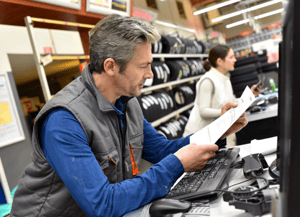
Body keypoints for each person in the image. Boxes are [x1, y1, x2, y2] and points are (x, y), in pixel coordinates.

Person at [10, 15, 248, 217]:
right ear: (111, 66)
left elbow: (161, 150)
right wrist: (176, 165)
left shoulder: (127, 103)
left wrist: (220, 128)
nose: (151, 74)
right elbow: (102, 204)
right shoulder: (64, 120)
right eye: (143, 66)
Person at [183, 44, 263, 138]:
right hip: (196, 134)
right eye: (231, 57)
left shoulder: (225, 78)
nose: (235, 60)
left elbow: (231, 101)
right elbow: (203, 111)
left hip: (212, 133)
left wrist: (250, 95)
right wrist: (225, 112)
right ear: (220, 61)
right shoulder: (208, 80)